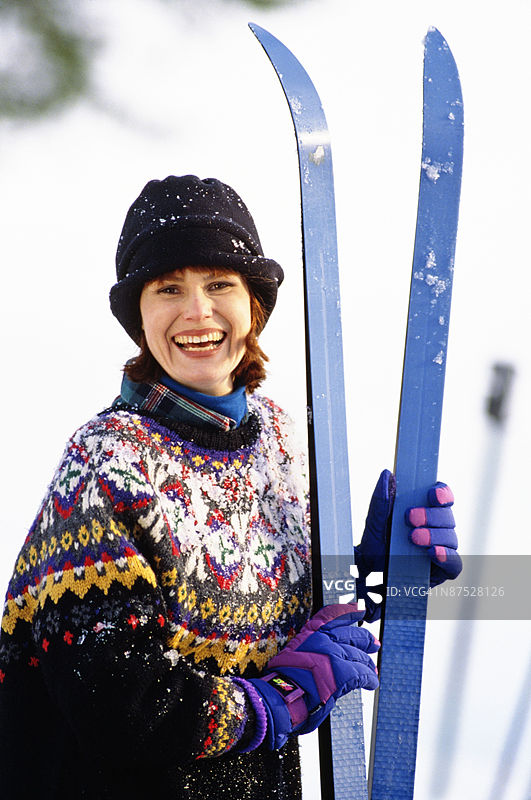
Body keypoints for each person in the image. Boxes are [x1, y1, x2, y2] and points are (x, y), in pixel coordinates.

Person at [0, 175, 461, 799]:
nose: (197, 312)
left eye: (220, 284)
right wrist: (270, 707)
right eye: (169, 289)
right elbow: (115, 698)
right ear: (139, 317)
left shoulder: (279, 439)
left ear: (255, 307)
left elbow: (276, 630)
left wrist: (375, 572)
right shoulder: (106, 463)